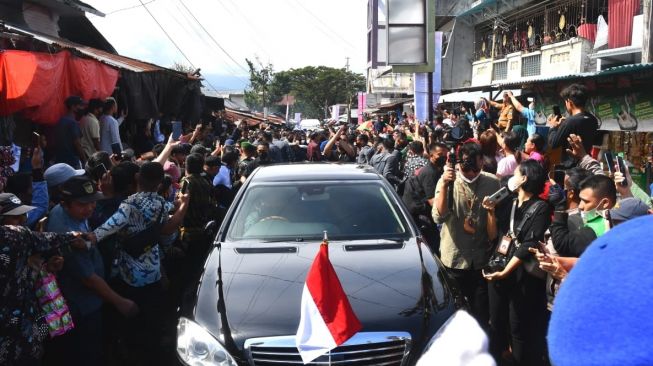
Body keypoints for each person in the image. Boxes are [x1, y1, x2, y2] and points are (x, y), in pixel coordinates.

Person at [90, 162, 189, 364]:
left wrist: (88, 238)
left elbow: (107, 229)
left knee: (131, 324)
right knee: (151, 322)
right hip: (153, 271)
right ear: (160, 182)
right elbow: (169, 229)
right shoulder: (162, 204)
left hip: (128, 274)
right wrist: (183, 204)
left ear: (138, 178)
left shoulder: (128, 205)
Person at [45, 175, 137, 366]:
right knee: (87, 352)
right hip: (82, 306)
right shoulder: (64, 231)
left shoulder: (72, 214)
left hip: (89, 299)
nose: (90, 208)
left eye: (93, 202)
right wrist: (120, 302)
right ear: (65, 203)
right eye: (82, 204)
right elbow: (88, 279)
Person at [483, 160, 551, 365]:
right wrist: (490, 211)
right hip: (499, 267)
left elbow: (527, 245)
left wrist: (506, 272)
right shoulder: (508, 201)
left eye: (516, 173)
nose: (512, 176)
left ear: (524, 179)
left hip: (522, 276)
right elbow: (494, 236)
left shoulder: (542, 207)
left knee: (518, 327)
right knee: (496, 323)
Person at [0, 207, 87, 366]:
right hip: (21, 339)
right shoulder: (14, 236)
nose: (23, 222)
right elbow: (49, 239)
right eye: (16, 218)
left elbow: (17, 279)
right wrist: (74, 236)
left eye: (23, 216)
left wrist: (45, 269)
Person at [433, 142, 501, 326]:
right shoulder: (447, 180)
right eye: (466, 168)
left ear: (482, 161)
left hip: (480, 258)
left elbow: (498, 224)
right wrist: (446, 185)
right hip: (455, 258)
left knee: (480, 313)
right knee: (455, 313)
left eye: (475, 167)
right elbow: (439, 217)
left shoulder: (492, 182)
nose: (470, 173)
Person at [550, 174, 617, 258]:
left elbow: (562, 243)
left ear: (605, 203)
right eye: (580, 199)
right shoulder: (621, 216)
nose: (580, 206)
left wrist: (559, 207)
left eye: (586, 201)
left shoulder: (597, 228)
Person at [547, 84, 598, 165]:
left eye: (565, 102)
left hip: (571, 167)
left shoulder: (570, 121)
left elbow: (553, 144)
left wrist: (553, 126)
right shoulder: (593, 119)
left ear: (569, 102)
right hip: (585, 163)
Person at [54, 96, 86, 169]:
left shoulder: (61, 121)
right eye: (80, 105)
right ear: (73, 107)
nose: (82, 108)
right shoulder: (73, 123)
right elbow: (78, 144)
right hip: (72, 163)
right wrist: (85, 160)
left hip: (60, 161)